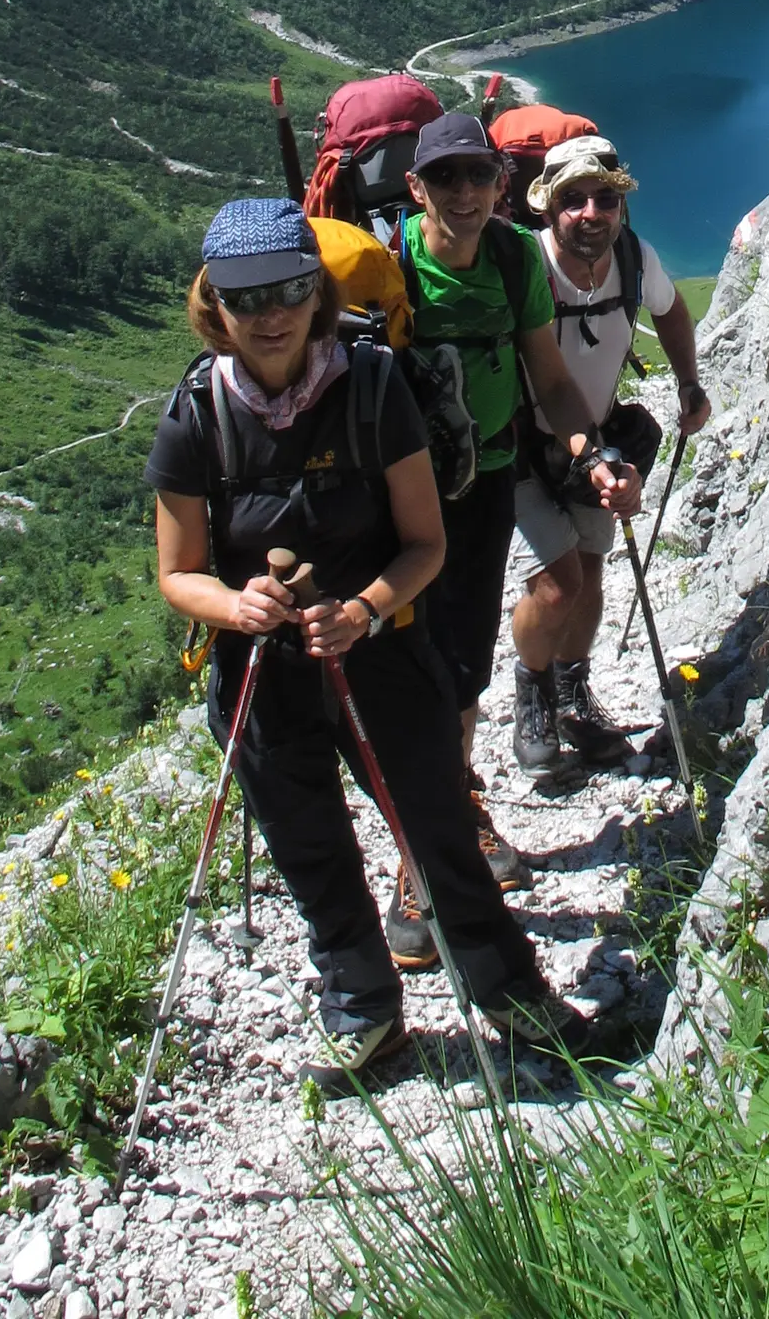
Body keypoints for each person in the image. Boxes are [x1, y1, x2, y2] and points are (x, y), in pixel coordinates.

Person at [147, 197, 582, 1076]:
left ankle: (512, 997)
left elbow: (428, 543)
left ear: (316, 294)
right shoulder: (197, 410)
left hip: (380, 652)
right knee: (309, 844)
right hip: (263, 668)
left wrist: (365, 609)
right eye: (246, 296)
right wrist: (237, 608)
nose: (269, 314)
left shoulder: (375, 385)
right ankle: (364, 1012)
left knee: (435, 828)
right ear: (214, 306)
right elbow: (177, 572)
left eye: (290, 289)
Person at [390, 113, 599, 959]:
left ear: (500, 184)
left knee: (465, 668)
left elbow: (548, 375)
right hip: (395, 506)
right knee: (409, 674)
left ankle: (457, 809)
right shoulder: (387, 268)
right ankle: (418, 856)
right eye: (447, 180)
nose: (466, 193)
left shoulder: (515, 261)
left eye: (478, 176)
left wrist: (591, 453)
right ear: (417, 188)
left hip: (483, 489)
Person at [511, 133, 712, 775]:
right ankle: (534, 696)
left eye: (605, 199)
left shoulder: (635, 259)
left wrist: (688, 381)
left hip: (593, 438)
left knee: (591, 574)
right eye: (574, 200)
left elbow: (674, 312)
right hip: (523, 447)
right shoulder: (527, 268)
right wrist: (598, 457)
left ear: (621, 209)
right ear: (549, 207)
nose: (591, 213)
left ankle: (572, 693)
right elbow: (548, 382)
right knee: (557, 582)